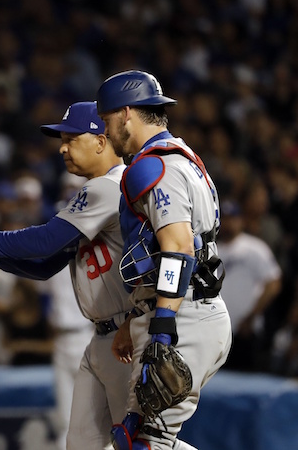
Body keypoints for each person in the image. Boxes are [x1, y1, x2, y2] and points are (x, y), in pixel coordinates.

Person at [0, 101, 135, 449]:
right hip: (104, 334)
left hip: (125, 335)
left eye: (72, 138)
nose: (62, 147)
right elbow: (46, 265)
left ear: (101, 140)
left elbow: (45, 239)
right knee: (81, 442)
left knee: (140, 442)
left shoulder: (110, 186)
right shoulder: (102, 188)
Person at [97, 70, 232, 450]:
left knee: (146, 442)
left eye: (107, 121)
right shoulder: (183, 156)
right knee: (141, 438)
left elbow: (177, 249)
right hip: (194, 308)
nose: (106, 132)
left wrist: (162, 322)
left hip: (183, 314)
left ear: (126, 113)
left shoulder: (155, 166)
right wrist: (139, 316)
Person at [217, 199, 282, 372]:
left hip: (246, 331)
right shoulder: (214, 250)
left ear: (241, 220)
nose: (229, 223)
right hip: (219, 332)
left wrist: (252, 316)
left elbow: (273, 283)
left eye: (233, 218)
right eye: (225, 218)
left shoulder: (254, 248)